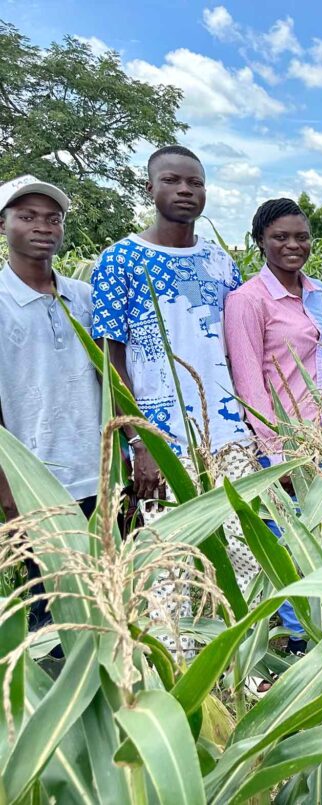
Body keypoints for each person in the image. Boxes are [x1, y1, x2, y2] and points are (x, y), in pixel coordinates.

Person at [91, 145, 259, 654]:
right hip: (161, 441)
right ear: (150, 188)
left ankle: (244, 666)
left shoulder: (219, 262)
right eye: (172, 180)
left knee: (243, 556)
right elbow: (108, 359)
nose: (185, 190)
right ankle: (177, 672)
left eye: (195, 183)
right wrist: (139, 440)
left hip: (229, 434)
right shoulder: (120, 260)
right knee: (170, 564)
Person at [225, 197, 322, 664]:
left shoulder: (318, 293)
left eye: (301, 236)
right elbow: (250, 384)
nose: (293, 245)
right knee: (289, 544)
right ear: (260, 243)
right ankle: (298, 641)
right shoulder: (247, 300)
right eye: (280, 237)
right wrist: (277, 454)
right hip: (286, 448)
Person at [0, 175, 102, 628]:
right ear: (3, 225)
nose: (43, 226)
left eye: (52, 218)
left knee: (105, 594)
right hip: (35, 482)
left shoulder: (83, 297)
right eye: (27, 217)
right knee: (53, 608)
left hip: (99, 473)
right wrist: (9, 488)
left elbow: (110, 378)